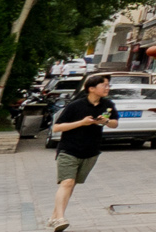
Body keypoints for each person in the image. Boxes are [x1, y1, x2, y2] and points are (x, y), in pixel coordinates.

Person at [50, 72, 113, 230]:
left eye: (108, 85)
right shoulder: (75, 105)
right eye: (104, 85)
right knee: (67, 182)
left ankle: (54, 216)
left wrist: (106, 121)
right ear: (91, 88)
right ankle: (60, 218)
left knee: (71, 186)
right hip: (69, 150)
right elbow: (56, 128)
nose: (107, 88)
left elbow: (115, 124)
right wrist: (81, 123)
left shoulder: (108, 105)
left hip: (91, 152)